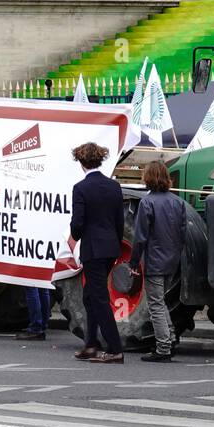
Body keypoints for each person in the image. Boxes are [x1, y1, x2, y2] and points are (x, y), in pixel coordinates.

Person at [69, 142, 124, 364]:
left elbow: (78, 224)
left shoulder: (80, 188)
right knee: (90, 295)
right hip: (111, 247)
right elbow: (119, 221)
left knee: (99, 298)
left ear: (81, 162)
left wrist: (74, 232)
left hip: (93, 248)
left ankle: (115, 348)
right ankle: (91, 343)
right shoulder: (114, 186)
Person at [127, 161, 187, 361]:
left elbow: (140, 237)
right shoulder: (178, 202)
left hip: (154, 261)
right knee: (161, 303)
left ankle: (163, 347)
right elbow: (183, 233)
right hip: (172, 260)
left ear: (148, 177)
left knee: (155, 305)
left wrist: (133, 263)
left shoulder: (147, 202)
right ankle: (169, 340)